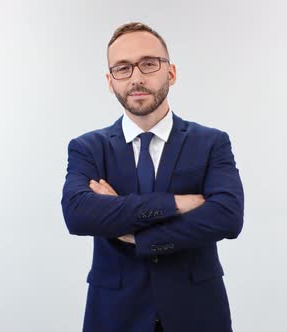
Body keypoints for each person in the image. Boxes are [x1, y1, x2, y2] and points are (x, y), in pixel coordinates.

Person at [61, 22, 244, 332]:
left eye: (148, 63)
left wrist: (134, 235)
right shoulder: (88, 148)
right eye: (123, 68)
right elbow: (78, 215)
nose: (136, 77)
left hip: (197, 313)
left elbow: (227, 217)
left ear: (170, 72)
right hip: (115, 315)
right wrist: (174, 203)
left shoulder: (211, 142)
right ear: (110, 81)